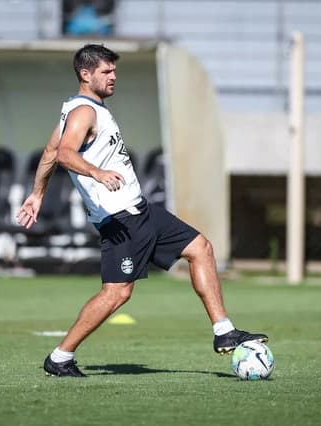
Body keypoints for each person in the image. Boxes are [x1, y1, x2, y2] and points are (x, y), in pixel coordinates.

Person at [16, 44, 268, 377]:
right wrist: (97, 172)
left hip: (142, 211)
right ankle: (60, 357)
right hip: (120, 220)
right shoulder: (83, 113)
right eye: (106, 72)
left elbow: (49, 151)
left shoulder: (83, 109)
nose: (113, 77)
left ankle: (224, 331)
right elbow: (64, 153)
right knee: (117, 294)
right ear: (85, 74)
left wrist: (37, 194)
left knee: (201, 248)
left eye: (114, 70)